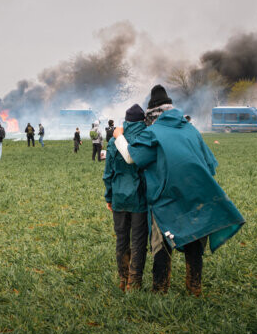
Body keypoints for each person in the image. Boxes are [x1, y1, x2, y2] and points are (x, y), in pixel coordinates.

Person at [113, 85, 245, 295]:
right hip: (197, 193)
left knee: (162, 240)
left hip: (166, 197)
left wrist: (118, 135)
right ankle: (194, 286)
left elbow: (131, 157)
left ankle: (160, 288)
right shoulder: (191, 129)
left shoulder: (153, 132)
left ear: (152, 115)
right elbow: (210, 164)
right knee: (195, 235)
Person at [103, 104, 148, 291]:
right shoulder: (146, 137)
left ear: (126, 120)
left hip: (120, 198)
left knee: (122, 239)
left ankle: (122, 278)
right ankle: (134, 281)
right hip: (139, 199)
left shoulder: (115, 141)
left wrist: (109, 197)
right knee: (138, 240)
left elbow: (108, 174)